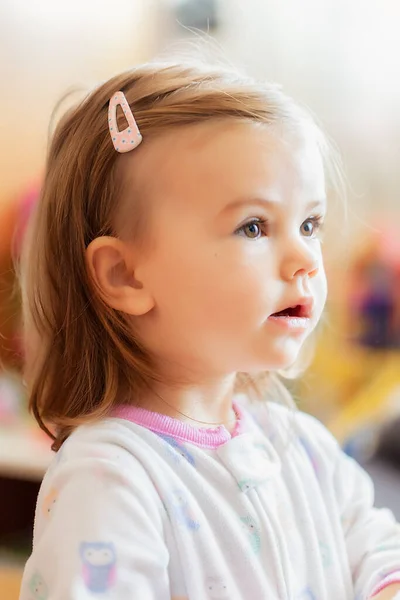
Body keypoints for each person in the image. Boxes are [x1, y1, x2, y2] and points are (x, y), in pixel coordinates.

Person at [19, 59, 400, 600]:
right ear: (125, 275)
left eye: (310, 224)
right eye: (254, 226)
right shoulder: (111, 478)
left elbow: (380, 553)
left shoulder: (303, 447)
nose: (306, 260)